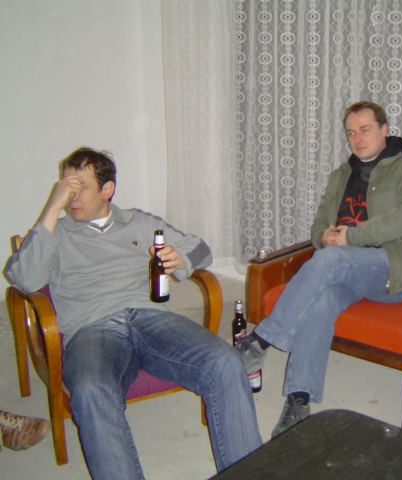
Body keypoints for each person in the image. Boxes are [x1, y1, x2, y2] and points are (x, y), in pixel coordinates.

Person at [4, 148, 261, 478]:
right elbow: (23, 279)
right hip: (92, 330)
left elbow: (201, 248)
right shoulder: (55, 233)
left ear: (107, 189)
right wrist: (51, 209)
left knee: (225, 362)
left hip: (152, 320)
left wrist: (181, 259)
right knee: (91, 391)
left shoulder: (138, 222)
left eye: (80, 187)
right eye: (66, 187)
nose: (72, 196)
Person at [236, 101, 402, 437]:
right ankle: (299, 400)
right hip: (348, 269)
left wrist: (349, 238)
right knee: (322, 298)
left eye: (365, 130)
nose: (357, 138)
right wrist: (324, 236)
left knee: (330, 259)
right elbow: (319, 224)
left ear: (384, 129)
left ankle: (260, 342)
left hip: (394, 268)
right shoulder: (341, 175)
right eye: (351, 132)